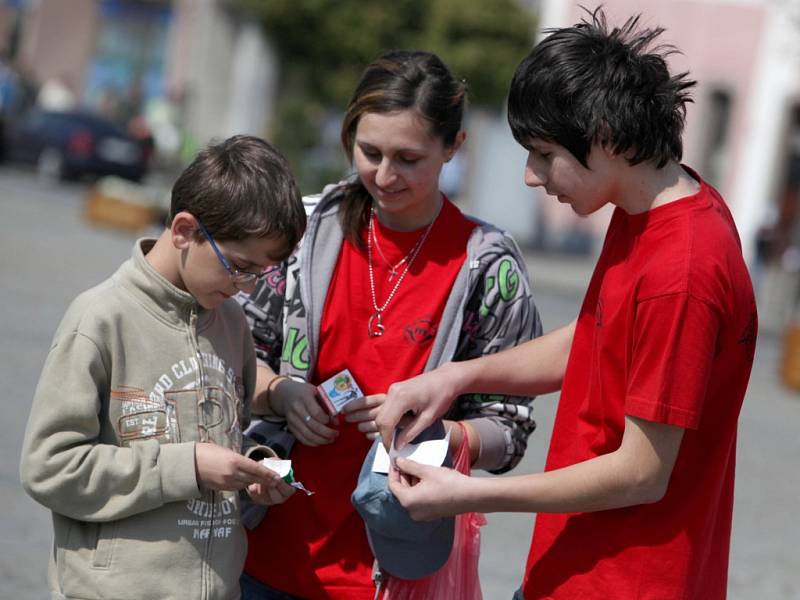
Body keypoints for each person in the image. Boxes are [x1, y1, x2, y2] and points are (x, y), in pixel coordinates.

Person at [377, 10, 758, 600]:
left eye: (544, 153)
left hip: (627, 581)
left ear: (604, 135)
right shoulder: (649, 206)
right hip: (574, 568)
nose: (532, 177)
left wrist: (469, 494)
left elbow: (641, 473)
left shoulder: (682, 269)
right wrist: (456, 377)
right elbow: (596, 338)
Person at [236, 49, 542, 599]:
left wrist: (434, 432)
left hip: (394, 575)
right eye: (369, 151)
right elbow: (233, 359)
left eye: (409, 158)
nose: (384, 174)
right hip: (263, 556)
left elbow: (509, 430)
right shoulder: (300, 233)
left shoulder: (487, 267)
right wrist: (281, 395)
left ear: (454, 147)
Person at [19, 135, 306, 600]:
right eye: (238, 266)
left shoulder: (231, 322)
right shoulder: (100, 318)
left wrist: (252, 470)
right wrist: (185, 466)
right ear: (184, 230)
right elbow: (50, 468)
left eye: (260, 274)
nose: (247, 288)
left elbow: (223, 438)